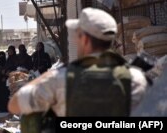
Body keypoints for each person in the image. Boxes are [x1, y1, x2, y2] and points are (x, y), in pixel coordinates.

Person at [8, 8, 148, 117]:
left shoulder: (61, 78)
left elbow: (15, 104)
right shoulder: (137, 76)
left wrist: (45, 77)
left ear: (85, 40)